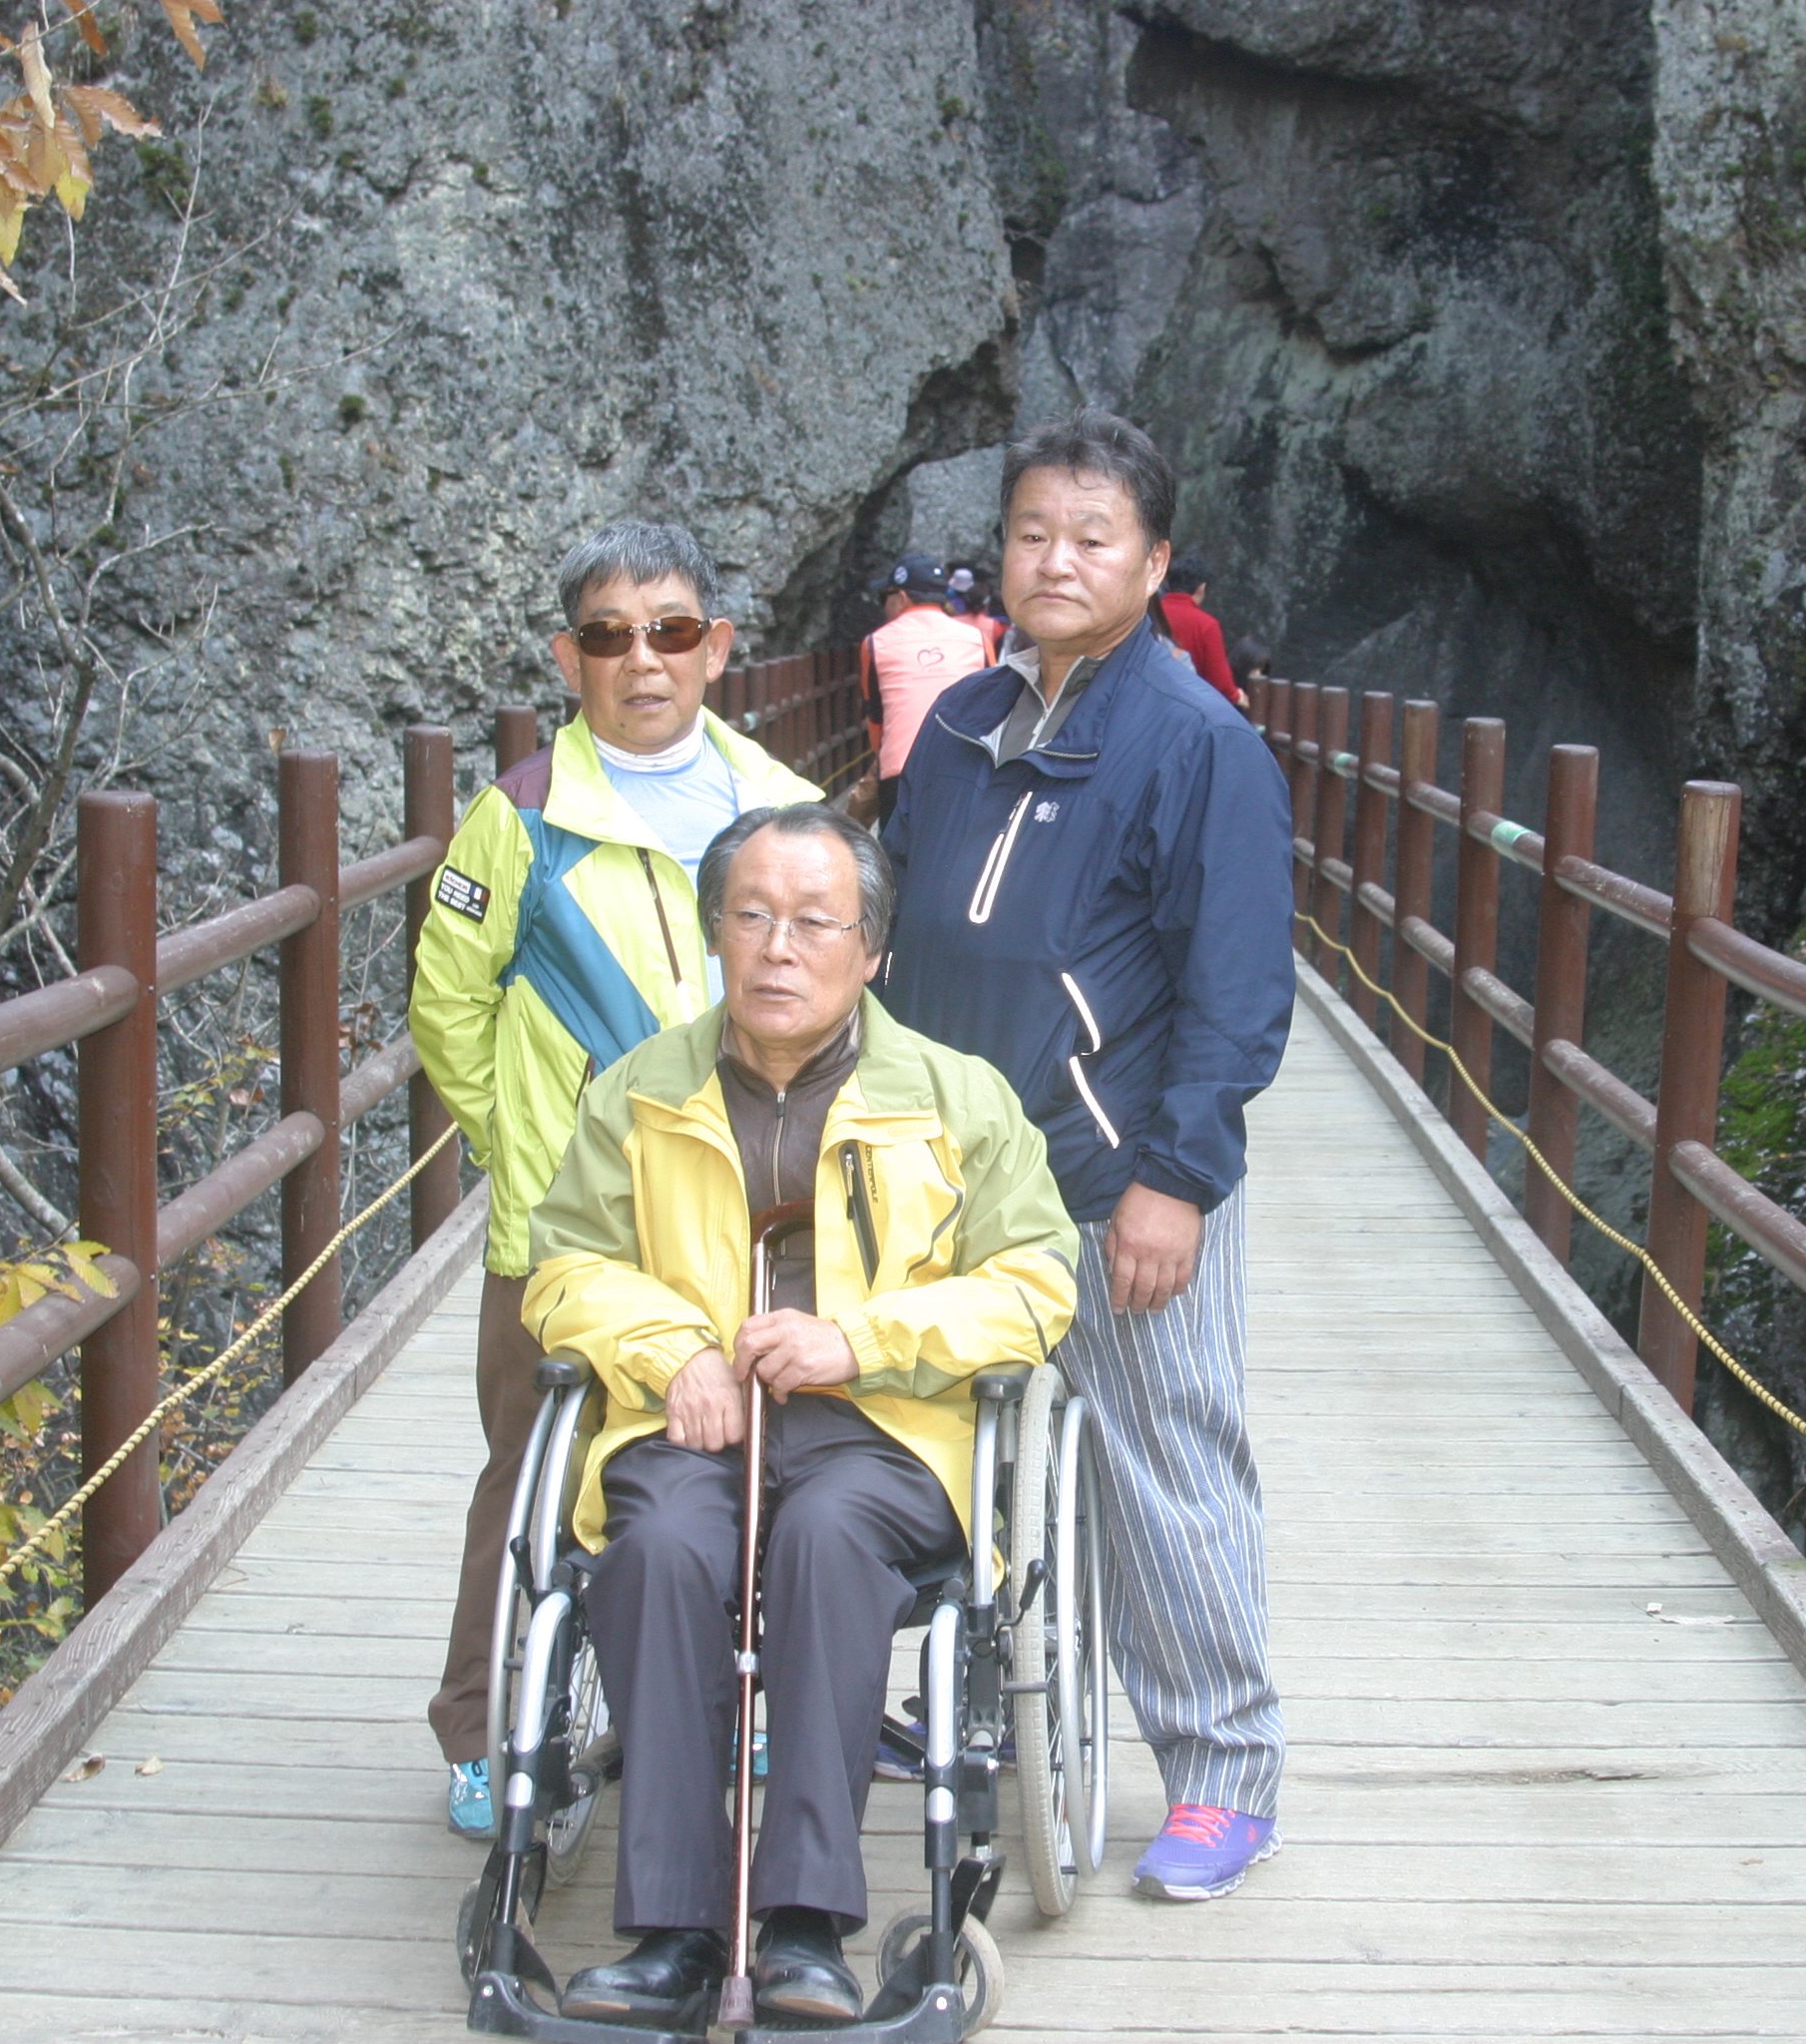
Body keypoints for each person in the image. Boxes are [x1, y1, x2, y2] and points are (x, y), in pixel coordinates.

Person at [522, 803, 1080, 2026]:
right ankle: (674, 1926)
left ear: (871, 950)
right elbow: (563, 1264)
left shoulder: (959, 1097)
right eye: (753, 915)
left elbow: (1038, 1283)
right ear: (715, 932)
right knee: (660, 1544)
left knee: (828, 1539)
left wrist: (860, 1340)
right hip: (695, 1418)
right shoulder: (639, 1091)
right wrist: (674, 1351)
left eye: (815, 922)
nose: (779, 947)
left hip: (887, 1427)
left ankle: (805, 1924)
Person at [878, 409, 1295, 1903]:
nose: (1056, 560)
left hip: (1113, 1174)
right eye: (1032, 533)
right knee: (956, 1443)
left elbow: (1238, 992)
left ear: (1155, 559)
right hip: (946, 1173)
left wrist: (1175, 1180)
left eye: (1092, 537)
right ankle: (982, 1707)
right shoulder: (960, 725)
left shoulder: (1198, 744)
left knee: (1166, 1462)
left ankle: (1223, 1774)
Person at [411, 520, 820, 1841]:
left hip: (746, 1207)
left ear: (718, 647)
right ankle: (482, 1728)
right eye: (609, 636)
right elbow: (446, 1007)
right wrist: (526, 1144)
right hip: (567, 1224)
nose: (643, 660)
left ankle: (737, 1696)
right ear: (566, 657)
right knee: (527, 1466)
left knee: (759, 1457)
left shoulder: (779, 804)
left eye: (671, 630)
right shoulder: (520, 815)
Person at [858, 551, 1001, 784]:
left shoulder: (876, 643)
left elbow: (876, 717)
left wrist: (885, 761)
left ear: (901, 597)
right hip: (965, 770)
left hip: (902, 770)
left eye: (885, 596)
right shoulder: (978, 640)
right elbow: (993, 708)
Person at [1159, 551, 1241, 704]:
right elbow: (1220, 683)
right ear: (1202, 588)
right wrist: (1237, 696)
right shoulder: (1206, 625)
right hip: (1187, 705)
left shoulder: (1148, 613)